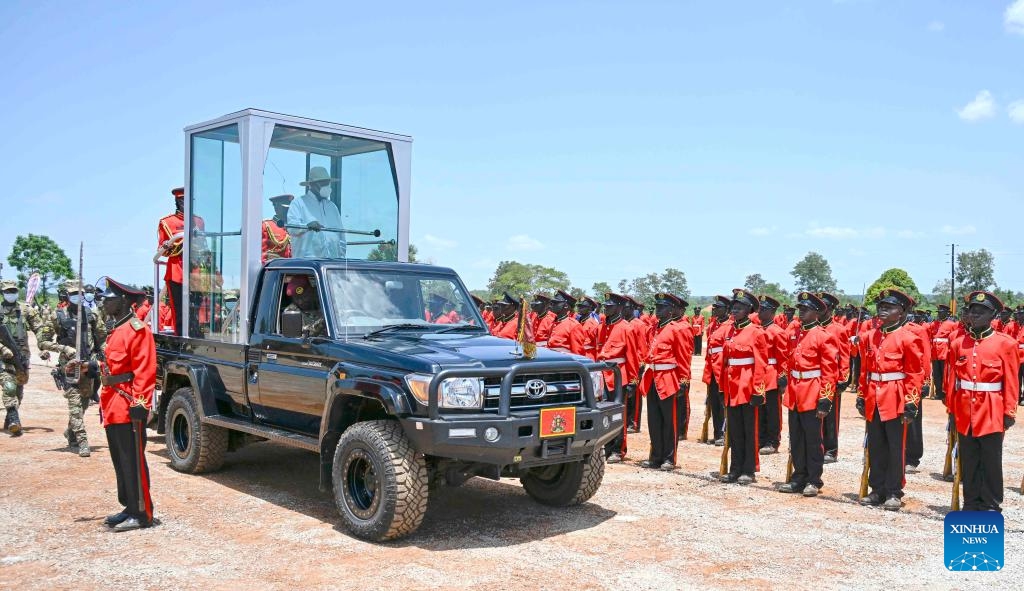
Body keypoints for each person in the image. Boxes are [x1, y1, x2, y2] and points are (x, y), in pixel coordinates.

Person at [942, 291, 1019, 511]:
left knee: (991, 460)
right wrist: (952, 408)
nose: (974, 315)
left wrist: (1009, 412)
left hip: (992, 408)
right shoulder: (958, 343)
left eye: (981, 311)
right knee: (969, 458)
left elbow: (1011, 381)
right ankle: (971, 501)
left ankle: (991, 504)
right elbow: (952, 380)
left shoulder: (1006, 344)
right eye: (971, 311)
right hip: (965, 408)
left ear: (993, 314)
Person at [856, 288, 925, 511]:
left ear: (902, 311)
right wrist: (861, 395)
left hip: (895, 396)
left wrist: (911, 402)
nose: (883, 310)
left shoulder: (908, 338)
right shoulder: (870, 336)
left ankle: (894, 491)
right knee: (876, 445)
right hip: (873, 395)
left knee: (896, 447)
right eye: (881, 306)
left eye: (890, 307)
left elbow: (915, 373)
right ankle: (876, 489)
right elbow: (864, 370)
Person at [96, 278, 157, 531]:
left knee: (132, 459)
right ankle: (129, 506)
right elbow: (113, 367)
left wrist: (141, 403)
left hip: (128, 403)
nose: (103, 302)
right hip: (112, 402)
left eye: (108, 298)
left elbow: (145, 369)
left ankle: (142, 513)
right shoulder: (116, 330)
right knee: (120, 460)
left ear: (122, 301)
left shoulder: (137, 330)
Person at [778, 292, 838, 497]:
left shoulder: (823, 336)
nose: (800, 312)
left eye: (805, 309)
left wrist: (825, 399)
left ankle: (814, 479)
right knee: (796, 438)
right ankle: (798, 476)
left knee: (813, 440)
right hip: (795, 391)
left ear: (817, 312)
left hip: (812, 390)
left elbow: (830, 371)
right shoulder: (795, 334)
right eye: (800, 309)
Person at [39, 280, 107, 456]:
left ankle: (70, 432)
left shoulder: (92, 314)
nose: (78, 297)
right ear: (67, 296)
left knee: (83, 404)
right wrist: (64, 348)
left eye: (80, 293)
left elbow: (102, 338)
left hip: (89, 366)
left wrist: (104, 357)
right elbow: (43, 341)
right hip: (69, 367)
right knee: (75, 404)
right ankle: (82, 441)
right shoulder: (57, 316)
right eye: (73, 294)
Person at [719, 289, 769, 485]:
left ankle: (749, 470)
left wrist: (758, 390)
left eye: (739, 308)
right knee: (735, 430)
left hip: (748, 387)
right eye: (733, 307)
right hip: (732, 387)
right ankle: (735, 468)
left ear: (749, 310)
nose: (734, 310)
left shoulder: (757, 332)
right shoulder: (730, 331)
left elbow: (761, 364)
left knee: (749, 430)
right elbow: (726, 362)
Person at [639, 293, 691, 470]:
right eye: (657, 307)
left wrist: (683, 381)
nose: (658, 310)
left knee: (670, 421)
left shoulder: (678, 329)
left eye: (662, 307)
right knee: (654, 420)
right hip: (652, 377)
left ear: (671, 310)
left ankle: (669, 458)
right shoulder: (653, 329)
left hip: (669, 378)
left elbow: (683, 357)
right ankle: (656, 456)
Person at [1, 279, 48, 435]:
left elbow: (39, 327)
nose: (11, 294)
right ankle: (15, 419)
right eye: (8, 291)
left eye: (13, 291)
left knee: (19, 391)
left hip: (21, 356)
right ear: (2, 293)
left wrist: (42, 346)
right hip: (3, 357)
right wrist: (2, 348)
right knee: (9, 386)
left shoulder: (25, 309)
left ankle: (10, 417)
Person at [597, 292, 637, 463]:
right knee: (603, 413)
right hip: (602, 375)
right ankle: (606, 447)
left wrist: (633, 380)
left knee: (618, 414)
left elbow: (632, 356)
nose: (606, 308)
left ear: (620, 308)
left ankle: (618, 450)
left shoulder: (626, 328)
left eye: (610, 306)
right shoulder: (602, 327)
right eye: (605, 306)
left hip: (619, 376)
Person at [287, 167, 347, 259]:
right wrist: (307, 226)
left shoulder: (332, 207)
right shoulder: (299, 203)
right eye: (323, 183)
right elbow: (291, 228)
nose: (327, 186)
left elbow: (341, 236)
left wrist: (341, 259)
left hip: (332, 263)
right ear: (312, 184)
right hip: (308, 264)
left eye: (328, 183)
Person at [817, 292, 849, 463]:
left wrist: (843, 378)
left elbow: (844, 356)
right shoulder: (812, 327)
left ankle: (831, 449)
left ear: (829, 309)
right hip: (814, 378)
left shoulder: (839, 329)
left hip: (832, 378)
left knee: (830, 416)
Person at [756, 295, 789, 455]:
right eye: (759, 309)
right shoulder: (758, 329)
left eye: (763, 309)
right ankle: (761, 439)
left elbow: (783, 357)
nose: (759, 312)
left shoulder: (778, 332)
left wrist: (782, 377)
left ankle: (773, 441)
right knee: (759, 410)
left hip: (771, 374)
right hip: (758, 374)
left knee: (772, 411)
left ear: (772, 312)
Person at [701, 295, 732, 445]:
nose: (715, 310)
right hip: (711, 368)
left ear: (726, 309)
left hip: (722, 368)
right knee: (713, 402)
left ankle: (725, 434)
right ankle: (717, 433)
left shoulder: (730, 325)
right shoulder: (713, 325)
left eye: (718, 308)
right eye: (714, 307)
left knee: (723, 403)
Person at [546, 290, 585, 355]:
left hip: (565, 363)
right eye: (552, 302)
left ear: (566, 306)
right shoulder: (553, 323)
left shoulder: (573, 325)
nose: (552, 304)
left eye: (556, 303)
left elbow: (578, 353)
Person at [262, 194, 294, 264]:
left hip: (292, 269)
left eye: (289, 208)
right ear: (276, 207)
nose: (287, 210)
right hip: (276, 270)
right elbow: (262, 257)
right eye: (284, 208)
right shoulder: (266, 226)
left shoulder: (294, 227)